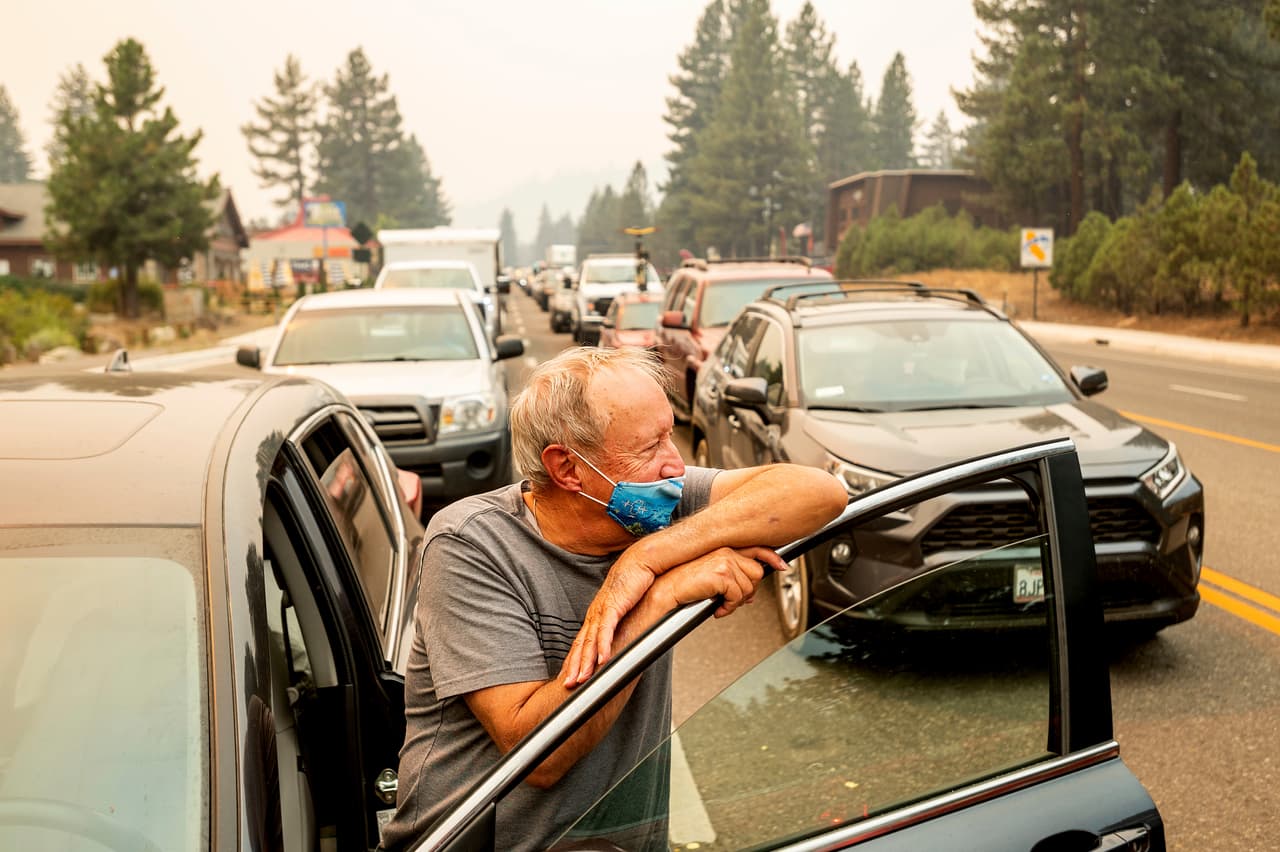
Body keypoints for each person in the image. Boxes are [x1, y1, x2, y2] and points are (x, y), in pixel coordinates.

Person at [378, 347, 847, 852]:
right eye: (649, 446)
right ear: (568, 468)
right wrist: (659, 597)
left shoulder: (656, 505)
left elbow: (820, 492)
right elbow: (537, 756)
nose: (676, 463)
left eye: (670, 434)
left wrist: (647, 557)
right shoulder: (472, 543)